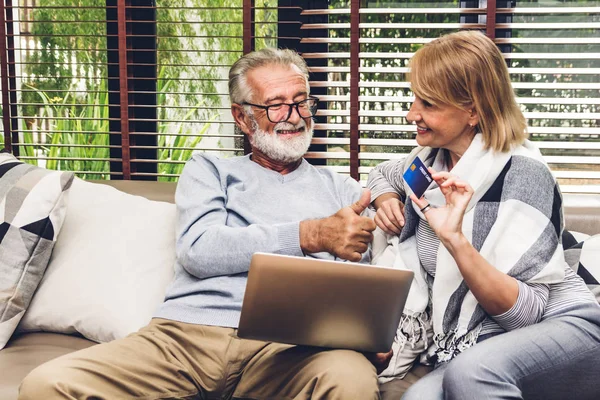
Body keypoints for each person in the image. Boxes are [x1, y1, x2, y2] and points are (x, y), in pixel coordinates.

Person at [19, 48, 390, 400]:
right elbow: (200, 251)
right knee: (47, 384)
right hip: (185, 340)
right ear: (242, 117)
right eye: (275, 106)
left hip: (293, 349)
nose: (293, 115)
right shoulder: (210, 170)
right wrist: (308, 234)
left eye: (301, 101)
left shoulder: (342, 189)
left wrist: (366, 338)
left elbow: (359, 287)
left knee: (350, 378)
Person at [367, 31, 600, 400]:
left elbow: (523, 313)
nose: (412, 114)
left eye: (427, 104)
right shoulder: (427, 162)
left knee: (473, 372)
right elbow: (381, 173)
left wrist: (455, 240)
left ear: (473, 110)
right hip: (472, 344)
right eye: (414, 99)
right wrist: (384, 199)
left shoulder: (523, 174)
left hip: (563, 324)